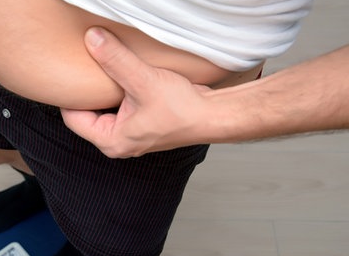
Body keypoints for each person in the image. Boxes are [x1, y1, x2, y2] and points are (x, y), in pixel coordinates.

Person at [0, 0, 327, 256]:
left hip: (128, 112)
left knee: (116, 243)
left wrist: (220, 114)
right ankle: (46, 190)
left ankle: (76, 237)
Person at [62, 28, 349, 158]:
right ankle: (41, 197)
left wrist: (210, 114)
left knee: (113, 241)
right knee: (19, 157)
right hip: (16, 95)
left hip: (143, 115)